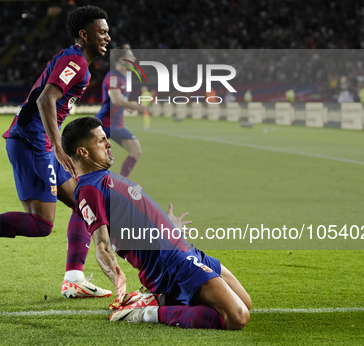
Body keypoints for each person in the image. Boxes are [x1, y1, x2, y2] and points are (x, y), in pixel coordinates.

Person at [0, 6, 113, 299]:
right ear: (85, 34)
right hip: (32, 141)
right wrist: (57, 146)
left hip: (37, 141)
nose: (107, 36)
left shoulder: (76, 60)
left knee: (86, 202)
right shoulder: (76, 62)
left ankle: (74, 279)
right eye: (102, 31)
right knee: (41, 224)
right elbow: (46, 99)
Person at [61, 117, 251, 330]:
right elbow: (102, 245)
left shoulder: (103, 177)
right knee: (236, 317)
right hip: (171, 262)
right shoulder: (89, 190)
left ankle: (159, 299)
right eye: (101, 140)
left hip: (183, 249)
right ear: (83, 152)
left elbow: (131, 220)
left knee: (245, 303)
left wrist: (167, 227)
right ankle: (145, 312)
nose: (109, 143)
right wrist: (116, 276)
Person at [95, 44, 147, 178]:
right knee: (93, 161)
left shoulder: (125, 78)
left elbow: (120, 100)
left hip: (117, 125)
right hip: (103, 125)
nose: (134, 58)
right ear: (122, 60)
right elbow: (116, 100)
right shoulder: (113, 76)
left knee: (136, 151)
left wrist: (128, 107)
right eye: (130, 56)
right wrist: (137, 107)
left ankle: (120, 183)